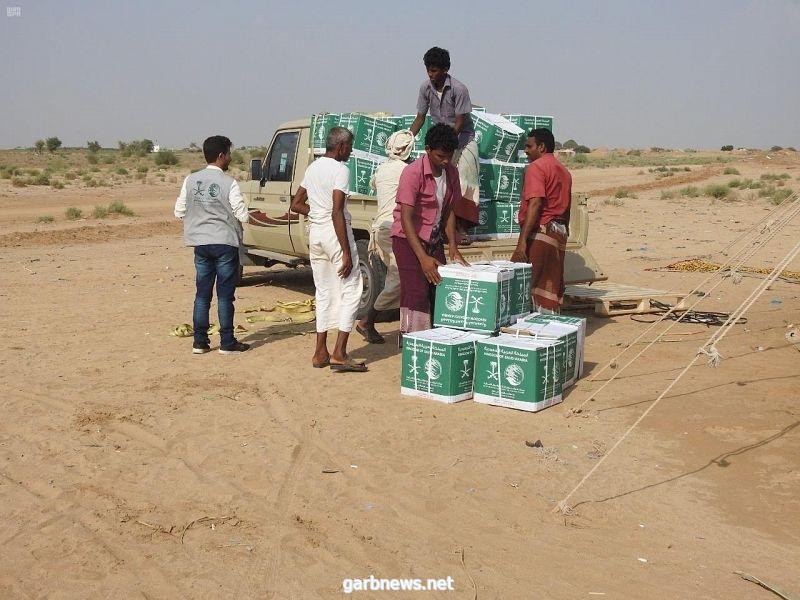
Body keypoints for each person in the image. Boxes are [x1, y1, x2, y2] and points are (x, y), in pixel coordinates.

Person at [291, 127, 367, 372]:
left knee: (324, 291)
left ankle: (320, 352)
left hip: (317, 235)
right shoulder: (341, 170)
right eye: (350, 147)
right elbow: (337, 211)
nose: (351, 151)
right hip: (335, 234)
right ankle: (340, 353)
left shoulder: (313, 168)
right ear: (342, 146)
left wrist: (316, 214)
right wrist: (346, 251)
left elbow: (296, 203)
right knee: (352, 290)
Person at [174, 135, 251, 354]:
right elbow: (242, 215)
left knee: (202, 294)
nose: (229, 157)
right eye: (228, 153)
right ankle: (227, 342)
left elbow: (178, 211)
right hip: (225, 243)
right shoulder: (230, 183)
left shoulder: (190, 180)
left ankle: (200, 342)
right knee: (225, 295)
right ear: (221, 156)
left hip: (200, 243)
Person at [391, 123, 468, 338]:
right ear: (427, 149)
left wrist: (453, 245)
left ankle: (437, 341)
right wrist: (423, 258)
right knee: (416, 293)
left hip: (433, 240)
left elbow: (449, 211)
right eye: (440, 156)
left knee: (439, 289)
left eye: (449, 157)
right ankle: (414, 342)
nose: (445, 161)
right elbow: (406, 219)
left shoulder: (451, 173)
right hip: (408, 240)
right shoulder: (412, 173)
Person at [355, 130, 415, 344]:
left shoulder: (383, 169)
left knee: (397, 278)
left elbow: (372, 185)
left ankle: (402, 327)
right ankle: (366, 322)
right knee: (399, 279)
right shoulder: (408, 171)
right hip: (394, 230)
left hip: (381, 229)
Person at [409, 46, 480, 225]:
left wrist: (447, 142)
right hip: (440, 141)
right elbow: (420, 118)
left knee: (464, 181)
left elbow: (460, 122)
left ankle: (462, 228)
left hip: (462, 139)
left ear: (445, 69)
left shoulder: (459, 89)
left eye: (433, 70)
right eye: (428, 70)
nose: (430, 74)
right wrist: (407, 137)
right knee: (437, 182)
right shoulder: (425, 88)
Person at [510, 128, 573, 314]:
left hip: (542, 233)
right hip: (558, 234)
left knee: (532, 288)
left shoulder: (536, 167)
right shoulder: (564, 171)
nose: (526, 151)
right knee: (551, 285)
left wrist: (522, 243)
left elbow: (536, 204)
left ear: (542, 147)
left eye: (529, 146)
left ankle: (536, 334)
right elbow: (567, 208)